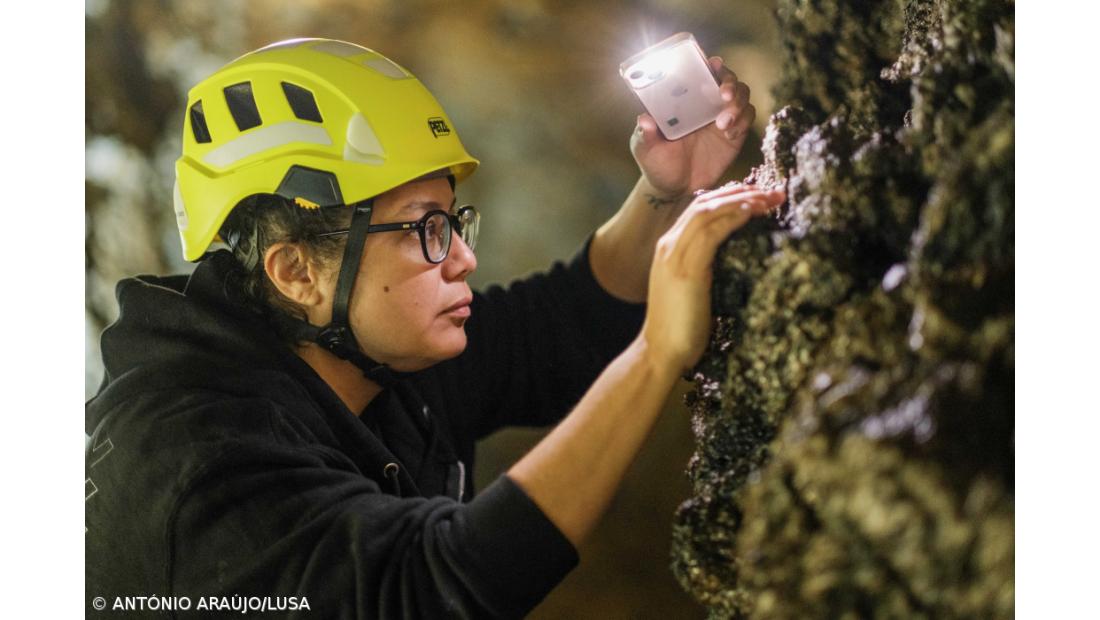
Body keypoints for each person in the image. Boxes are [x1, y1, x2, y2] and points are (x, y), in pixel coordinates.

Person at [85, 38, 785, 618]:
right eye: (424, 228)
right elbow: (426, 589)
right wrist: (658, 353)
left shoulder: (361, 357)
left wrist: (664, 190)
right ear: (296, 271)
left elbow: (553, 333)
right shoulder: (190, 462)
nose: (463, 258)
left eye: (452, 221)